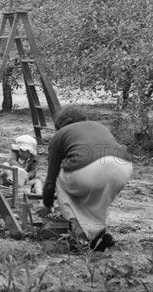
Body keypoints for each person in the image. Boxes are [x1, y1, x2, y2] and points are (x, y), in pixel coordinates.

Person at [39, 107, 133, 251]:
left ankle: (80, 237)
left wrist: (47, 204)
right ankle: (99, 236)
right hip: (123, 167)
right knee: (96, 197)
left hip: (89, 168)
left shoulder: (61, 135)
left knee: (61, 181)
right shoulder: (99, 126)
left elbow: (51, 179)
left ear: (60, 124)